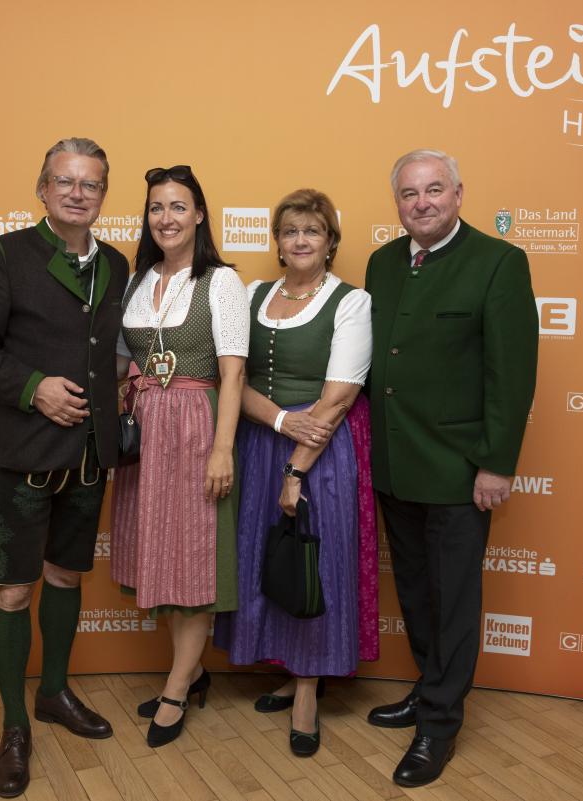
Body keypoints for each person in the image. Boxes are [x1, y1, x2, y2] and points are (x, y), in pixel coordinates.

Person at [0, 137, 129, 799]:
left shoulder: (116, 263)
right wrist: (34, 388)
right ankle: (15, 724)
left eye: (91, 183)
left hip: (88, 456)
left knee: (66, 574)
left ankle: (54, 692)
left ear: (102, 194)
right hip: (22, 454)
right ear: (43, 188)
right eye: (65, 181)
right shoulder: (3, 254)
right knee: (13, 590)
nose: (78, 193)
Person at [365, 150, 537, 787]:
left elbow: (511, 375)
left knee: (454, 599)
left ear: (459, 194)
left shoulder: (498, 262)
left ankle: (439, 725)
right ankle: (427, 687)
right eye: (410, 194)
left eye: (434, 189)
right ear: (398, 203)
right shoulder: (383, 263)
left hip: (460, 471)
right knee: (415, 591)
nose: (422, 203)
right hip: (394, 464)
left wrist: (495, 464)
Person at [213, 188, 378, 757]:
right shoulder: (253, 294)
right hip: (259, 442)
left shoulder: (351, 302)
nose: (301, 240)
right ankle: (291, 671)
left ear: (331, 242)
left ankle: (308, 690)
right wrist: (280, 421)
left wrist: (295, 471)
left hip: (319, 455)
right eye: (290, 231)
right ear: (278, 243)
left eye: (313, 230)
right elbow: (230, 379)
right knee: (272, 560)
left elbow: (337, 400)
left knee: (313, 563)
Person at [111, 165, 248, 747]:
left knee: (193, 560)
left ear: (199, 215)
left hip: (197, 427)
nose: (165, 218)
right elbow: (120, 363)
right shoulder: (136, 281)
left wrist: (222, 450)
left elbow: (233, 374)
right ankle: (191, 674)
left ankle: (175, 688)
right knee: (162, 558)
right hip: (146, 431)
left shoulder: (221, 282)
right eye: (156, 207)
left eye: (177, 206)